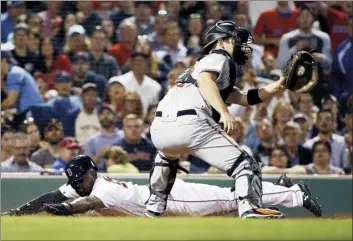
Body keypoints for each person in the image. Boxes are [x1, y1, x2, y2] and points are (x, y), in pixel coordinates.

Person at [145, 20, 310, 219]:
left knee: (166, 156)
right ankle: (249, 207)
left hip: (160, 129)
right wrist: (223, 112)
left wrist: (280, 84)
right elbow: (206, 81)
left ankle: (154, 206)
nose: (242, 46)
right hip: (191, 123)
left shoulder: (197, 69)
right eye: (236, 40)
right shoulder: (219, 56)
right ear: (221, 42)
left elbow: (245, 98)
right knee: (246, 164)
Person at [1, 155, 322, 217]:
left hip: (175, 199)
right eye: (73, 182)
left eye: (78, 180)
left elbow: (87, 204)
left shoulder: (101, 188)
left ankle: (293, 193)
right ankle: (280, 187)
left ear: (91, 174)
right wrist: (20, 212)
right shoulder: (83, 184)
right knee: (228, 200)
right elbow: (53, 193)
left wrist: (67, 210)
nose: (75, 186)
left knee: (229, 200)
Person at [277, 5, 332, 71]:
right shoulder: (287, 38)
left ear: (312, 18)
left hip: (318, 77)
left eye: (308, 15)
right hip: (294, 78)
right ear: (297, 19)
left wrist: (321, 58)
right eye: (302, 16)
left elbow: (330, 64)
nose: (305, 19)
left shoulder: (323, 37)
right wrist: (295, 48)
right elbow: (280, 64)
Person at [1, 50, 43, 115]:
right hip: (31, 112)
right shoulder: (13, 72)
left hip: (33, 113)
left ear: (3, 60)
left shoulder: (14, 73)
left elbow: (10, 102)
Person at [84, 105, 123, 170]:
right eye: (102, 114)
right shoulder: (92, 140)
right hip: (100, 176)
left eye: (108, 113)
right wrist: (99, 155)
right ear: (98, 117)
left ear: (115, 117)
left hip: (123, 175)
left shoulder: (123, 136)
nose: (105, 116)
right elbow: (86, 165)